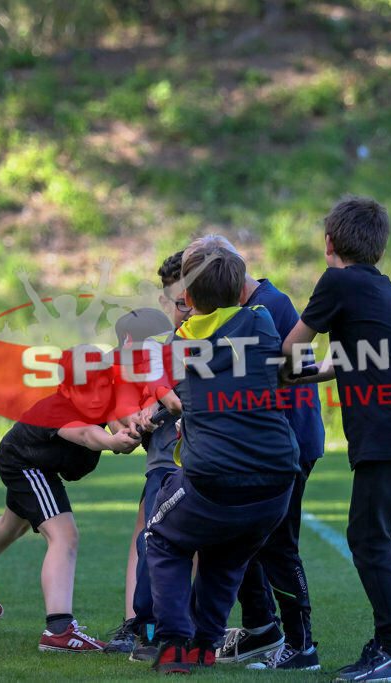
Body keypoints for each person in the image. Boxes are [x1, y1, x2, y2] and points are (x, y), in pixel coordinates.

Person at [281, 196, 391, 682]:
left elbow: (293, 345)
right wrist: (306, 377)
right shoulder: (380, 285)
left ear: (328, 242)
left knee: (368, 538)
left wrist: (282, 376)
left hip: (390, 428)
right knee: (383, 539)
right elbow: (356, 357)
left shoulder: (337, 280)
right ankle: (389, 645)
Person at [145, 246, 300, 674]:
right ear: (242, 290)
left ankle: (175, 642)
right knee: (229, 554)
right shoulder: (263, 321)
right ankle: (205, 644)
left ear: (188, 300)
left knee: (161, 536)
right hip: (276, 482)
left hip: (213, 478)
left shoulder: (180, 343)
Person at [0, 346, 142, 653]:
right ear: (66, 388)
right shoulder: (59, 411)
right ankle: (59, 630)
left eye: (103, 387)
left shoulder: (104, 396)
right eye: (86, 389)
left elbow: (113, 414)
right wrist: (114, 441)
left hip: (32, 461)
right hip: (26, 464)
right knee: (65, 536)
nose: (97, 396)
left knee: (12, 525)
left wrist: (127, 427)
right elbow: (88, 435)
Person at [185, 235, 324, 671]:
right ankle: (263, 629)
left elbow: (293, 370)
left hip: (288, 442)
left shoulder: (269, 307)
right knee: (245, 540)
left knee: (279, 547)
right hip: (256, 447)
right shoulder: (241, 311)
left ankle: (302, 646)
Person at [104, 252, 191, 661]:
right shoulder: (151, 347)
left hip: (198, 460)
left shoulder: (214, 338)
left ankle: (180, 627)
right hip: (162, 462)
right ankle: (138, 624)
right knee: (146, 533)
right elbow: (123, 411)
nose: (184, 307)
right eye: (177, 300)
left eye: (190, 298)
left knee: (188, 542)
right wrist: (136, 418)